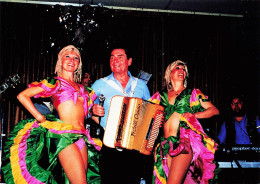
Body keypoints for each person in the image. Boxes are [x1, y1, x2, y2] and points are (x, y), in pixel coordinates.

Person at [1, 45, 102, 184]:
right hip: (64, 138)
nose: (71, 60)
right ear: (60, 60)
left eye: (75, 58)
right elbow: (22, 96)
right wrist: (40, 117)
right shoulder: (56, 83)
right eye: (67, 56)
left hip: (82, 137)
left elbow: (90, 117)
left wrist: (94, 112)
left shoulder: (85, 90)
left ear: (79, 64)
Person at [153, 60, 219, 184]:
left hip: (183, 144)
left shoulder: (192, 94)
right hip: (165, 145)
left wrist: (194, 115)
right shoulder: (159, 96)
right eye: (177, 68)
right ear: (170, 73)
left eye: (184, 69)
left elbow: (214, 110)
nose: (181, 71)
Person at [90, 48, 151, 184]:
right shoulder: (100, 84)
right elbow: (84, 109)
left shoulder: (141, 85)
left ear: (129, 61)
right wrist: (92, 111)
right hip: (109, 145)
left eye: (120, 57)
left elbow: (150, 113)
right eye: (112, 57)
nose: (115, 60)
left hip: (135, 147)